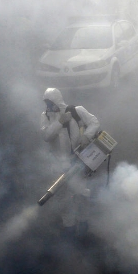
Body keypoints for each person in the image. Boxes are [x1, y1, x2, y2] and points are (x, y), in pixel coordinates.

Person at [40, 88, 100, 237]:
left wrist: (87, 136)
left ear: (57, 100)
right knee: (63, 199)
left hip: (77, 161)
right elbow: (46, 136)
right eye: (46, 103)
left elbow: (94, 122)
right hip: (58, 165)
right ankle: (69, 229)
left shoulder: (76, 111)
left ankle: (84, 224)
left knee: (81, 193)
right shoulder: (45, 117)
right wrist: (60, 122)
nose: (48, 106)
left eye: (50, 103)